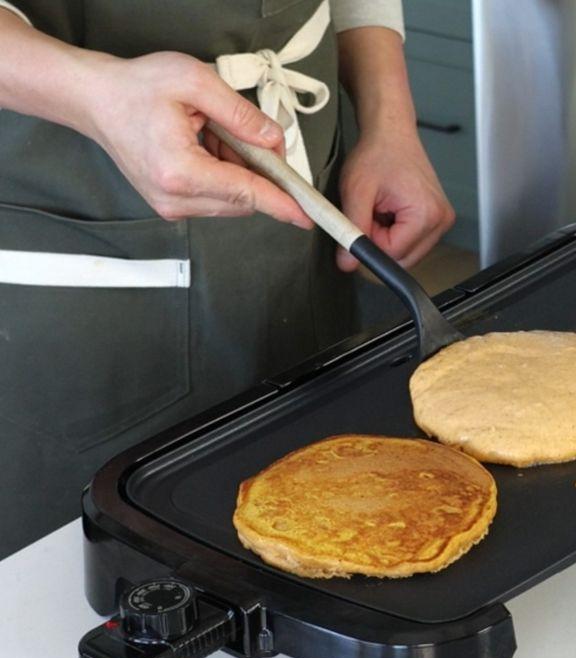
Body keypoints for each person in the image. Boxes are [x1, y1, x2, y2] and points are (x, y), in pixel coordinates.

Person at [0, 0, 455, 556]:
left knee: (330, 488)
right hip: (77, 191)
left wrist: (390, 124)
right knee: (111, 554)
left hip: (300, 161)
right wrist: (92, 93)